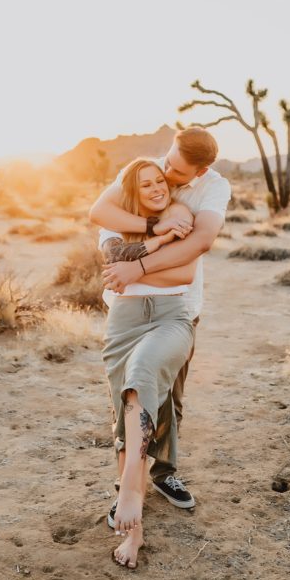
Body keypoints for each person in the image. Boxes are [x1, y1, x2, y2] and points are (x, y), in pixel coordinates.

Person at [89, 127, 230, 512]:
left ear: (198, 174)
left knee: (170, 397)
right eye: (168, 160)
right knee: (127, 397)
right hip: (126, 309)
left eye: (177, 172)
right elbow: (101, 217)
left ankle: (163, 473)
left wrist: (136, 269)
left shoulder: (209, 191)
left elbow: (196, 248)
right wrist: (154, 231)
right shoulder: (144, 173)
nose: (167, 174)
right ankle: (128, 482)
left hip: (178, 305)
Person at [96, 158, 199, 568]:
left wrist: (132, 272)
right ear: (131, 193)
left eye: (160, 180)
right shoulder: (115, 225)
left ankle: (130, 493)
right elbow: (113, 261)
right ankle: (133, 535)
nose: (157, 188)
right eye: (146, 185)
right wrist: (157, 247)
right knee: (127, 414)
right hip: (123, 324)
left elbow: (184, 273)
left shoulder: (179, 214)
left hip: (171, 317)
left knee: (141, 378)